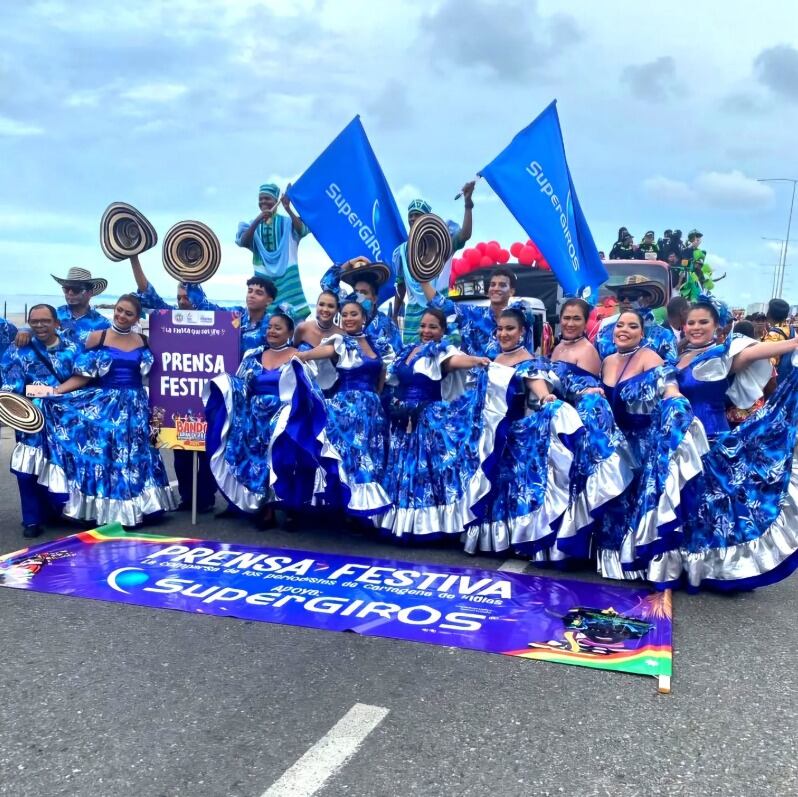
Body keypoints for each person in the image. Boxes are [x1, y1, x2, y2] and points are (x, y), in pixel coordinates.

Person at [648, 296, 798, 591]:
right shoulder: (677, 358)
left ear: (717, 325)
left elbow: (756, 352)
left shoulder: (721, 355)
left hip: (709, 439)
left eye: (703, 322)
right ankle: (681, 565)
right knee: (683, 506)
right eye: (691, 322)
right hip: (676, 442)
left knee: (706, 509)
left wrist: (792, 344)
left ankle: (708, 569)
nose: (696, 327)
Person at [41, 295, 178, 526]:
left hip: (137, 407)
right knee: (108, 456)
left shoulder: (145, 341)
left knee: (137, 456)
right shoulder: (98, 337)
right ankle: (106, 510)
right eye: (119, 310)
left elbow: (160, 374)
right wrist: (55, 391)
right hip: (107, 408)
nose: (121, 316)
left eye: (128, 313)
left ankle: (140, 507)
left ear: (137, 318)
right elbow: (82, 376)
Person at [595, 309, 708, 580]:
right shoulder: (607, 360)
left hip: (642, 446)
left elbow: (667, 386)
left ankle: (640, 563)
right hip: (615, 443)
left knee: (636, 505)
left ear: (642, 333)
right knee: (615, 503)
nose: (624, 330)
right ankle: (611, 562)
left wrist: (676, 402)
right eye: (620, 325)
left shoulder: (649, 357)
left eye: (632, 326)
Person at [463, 307, 584, 557]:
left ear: (522, 332)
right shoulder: (492, 359)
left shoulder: (528, 361)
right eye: (500, 329)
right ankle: (493, 540)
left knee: (516, 491)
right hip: (489, 437)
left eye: (510, 329)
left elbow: (536, 382)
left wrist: (545, 397)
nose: (504, 334)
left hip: (512, 439)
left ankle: (518, 540)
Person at [203, 313, 341, 526]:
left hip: (285, 420)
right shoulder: (254, 355)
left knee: (285, 463)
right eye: (269, 327)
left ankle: (292, 508)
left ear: (289, 332)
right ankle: (266, 508)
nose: (271, 331)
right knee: (259, 463)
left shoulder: (299, 355)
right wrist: (225, 384)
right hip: (256, 421)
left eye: (278, 327)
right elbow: (242, 385)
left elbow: (310, 388)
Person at [378, 307, 489, 541]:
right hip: (401, 420)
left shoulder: (442, 351)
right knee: (401, 470)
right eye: (423, 326)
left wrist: (477, 360)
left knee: (422, 474)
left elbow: (454, 361)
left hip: (426, 420)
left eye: (433, 327)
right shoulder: (408, 350)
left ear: (443, 331)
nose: (426, 331)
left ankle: (423, 527)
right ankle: (399, 524)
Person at [537, 299, 635, 559]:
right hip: (557, 423)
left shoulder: (588, 351)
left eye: (576, 319)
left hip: (577, 426)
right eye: (566, 318)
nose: (569, 323)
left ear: (585, 322)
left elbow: (587, 392)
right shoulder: (556, 347)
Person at [128, 254, 216, 513]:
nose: (182, 301)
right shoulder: (168, 319)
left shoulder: (213, 317)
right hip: (174, 397)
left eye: (186, 297)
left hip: (204, 396)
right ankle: (187, 498)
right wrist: (134, 258)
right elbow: (147, 292)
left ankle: (207, 497)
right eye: (178, 297)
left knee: (206, 450)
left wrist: (192, 270)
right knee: (180, 451)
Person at [298, 299, 394, 519]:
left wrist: (376, 396)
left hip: (372, 410)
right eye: (346, 315)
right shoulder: (339, 341)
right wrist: (301, 356)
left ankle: (365, 512)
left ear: (364, 318)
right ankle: (349, 509)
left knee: (372, 457)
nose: (349, 319)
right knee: (352, 458)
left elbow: (382, 372)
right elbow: (319, 353)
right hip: (346, 410)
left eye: (354, 314)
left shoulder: (375, 342)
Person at [0, 305, 77, 537]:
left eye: (45, 321)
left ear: (56, 323)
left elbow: (84, 378)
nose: (39, 325)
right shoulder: (17, 350)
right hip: (31, 418)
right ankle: (31, 520)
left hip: (66, 420)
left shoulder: (72, 349)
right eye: (34, 322)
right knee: (26, 469)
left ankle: (57, 511)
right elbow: (9, 387)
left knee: (63, 466)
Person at [392, 184, 475, 343]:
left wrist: (468, 205)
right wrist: (395, 314)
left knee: (442, 355)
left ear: (427, 218)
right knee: (411, 359)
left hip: (439, 308)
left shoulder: (442, 243)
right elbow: (400, 284)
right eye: (411, 215)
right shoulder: (401, 252)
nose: (413, 218)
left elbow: (465, 235)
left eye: (418, 215)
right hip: (413, 315)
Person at [236, 183, 311, 320]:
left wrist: (288, 208)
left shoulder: (287, 222)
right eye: (261, 199)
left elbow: (302, 230)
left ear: (276, 200)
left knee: (291, 320)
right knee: (265, 320)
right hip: (263, 280)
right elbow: (243, 241)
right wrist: (258, 219)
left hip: (288, 278)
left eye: (267, 198)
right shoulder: (253, 225)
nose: (263, 202)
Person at [420, 269, 533, 357]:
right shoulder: (471, 313)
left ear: (511, 291)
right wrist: (423, 280)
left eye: (502, 285)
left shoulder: (519, 322)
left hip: (506, 383)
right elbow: (440, 303)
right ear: (488, 291)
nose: (496, 288)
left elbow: (527, 355)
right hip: (471, 383)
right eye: (492, 284)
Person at [185, 276, 286, 356]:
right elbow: (206, 308)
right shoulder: (235, 314)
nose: (252, 295)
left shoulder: (271, 324)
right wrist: (190, 280)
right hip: (227, 373)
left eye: (258, 293)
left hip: (256, 377)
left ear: (269, 301)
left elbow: (283, 349)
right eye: (250, 291)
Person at [320, 258, 402, 351]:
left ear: (374, 299)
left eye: (364, 292)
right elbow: (327, 284)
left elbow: (397, 353)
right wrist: (350, 262)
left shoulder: (386, 324)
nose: (359, 296)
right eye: (356, 292)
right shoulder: (346, 307)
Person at [17, 268, 111, 348]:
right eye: (66, 289)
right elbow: (35, 323)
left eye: (76, 290)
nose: (70, 293)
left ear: (90, 293)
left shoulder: (103, 324)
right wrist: (25, 331)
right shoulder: (54, 314)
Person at [596, 277, 677, 362]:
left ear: (648, 299)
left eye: (632, 296)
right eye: (622, 297)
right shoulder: (605, 332)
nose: (626, 301)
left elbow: (670, 368)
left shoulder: (664, 336)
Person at [762, 297, 794, 382]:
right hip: (786, 377)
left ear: (769, 314)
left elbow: (768, 363)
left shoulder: (773, 335)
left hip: (775, 381)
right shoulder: (789, 329)